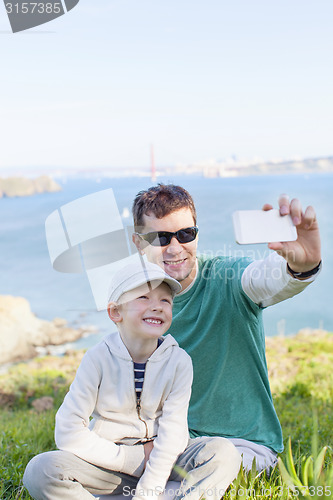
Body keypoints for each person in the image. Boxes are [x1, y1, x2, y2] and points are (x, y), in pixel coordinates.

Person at [132, 184, 322, 473]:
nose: (174, 248)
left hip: (242, 447)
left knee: (216, 460)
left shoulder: (230, 278)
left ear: (197, 233)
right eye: (159, 238)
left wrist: (301, 266)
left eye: (185, 234)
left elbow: (265, 279)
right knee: (42, 471)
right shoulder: (133, 302)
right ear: (138, 243)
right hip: (171, 445)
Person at [23, 260, 241, 500]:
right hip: (111, 464)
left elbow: (174, 432)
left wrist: (149, 488)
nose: (157, 306)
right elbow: (67, 430)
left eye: (165, 300)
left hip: (166, 461)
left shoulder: (179, 362)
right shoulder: (97, 359)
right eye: (144, 298)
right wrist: (130, 459)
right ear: (115, 312)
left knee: (224, 453)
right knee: (41, 470)